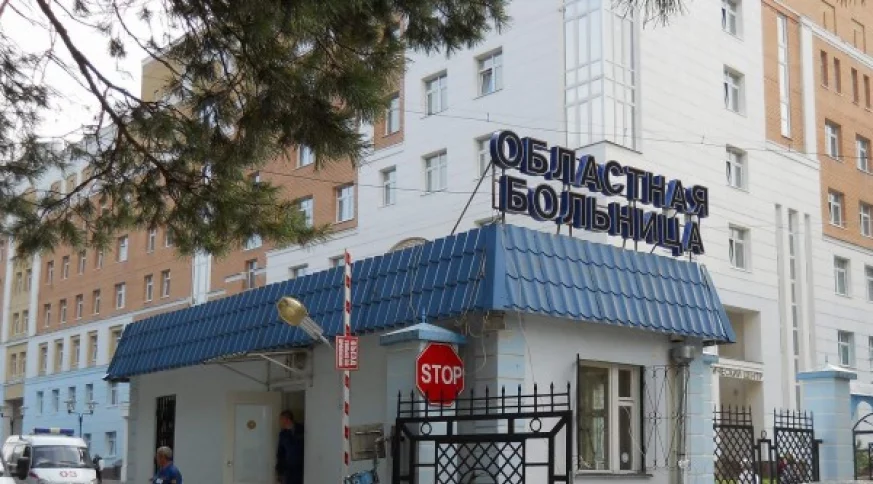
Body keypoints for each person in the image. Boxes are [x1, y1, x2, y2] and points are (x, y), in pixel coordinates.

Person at [276, 410, 304, 484]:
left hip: (302, 467)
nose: (280, 422)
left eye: (281, 419)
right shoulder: (283, 434)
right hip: (289, 469)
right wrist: (280, 472)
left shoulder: (302, 430)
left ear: (287, 419)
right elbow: (280, 453)